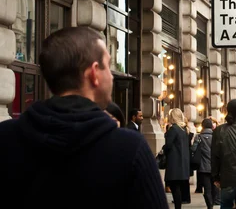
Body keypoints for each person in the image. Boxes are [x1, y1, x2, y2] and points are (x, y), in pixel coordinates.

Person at [0, 26, 168, 209]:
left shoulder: (6, 137)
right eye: (108, 66)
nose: (112, 77)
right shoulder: (130, 149)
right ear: (94, 73)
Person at [164, 108, 191, 209]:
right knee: (177, 188)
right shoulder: (184, 130)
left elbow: (168, 145)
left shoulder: (174, 129)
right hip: (183, 163)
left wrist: (163, 150)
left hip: (175, 163)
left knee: (175, 188)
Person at [192, 118, 219, 209]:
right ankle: (213, 202)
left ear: (202, 126)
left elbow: (193, 149)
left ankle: (209, 206)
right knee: (214, 187)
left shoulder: (198, 136)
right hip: (215, 167)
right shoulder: (216, 136)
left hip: (203, 167)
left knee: (207, 189)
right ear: (212, 126)